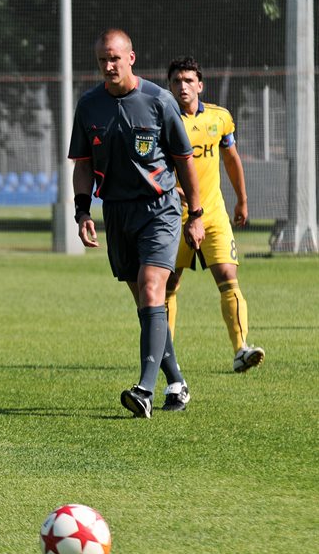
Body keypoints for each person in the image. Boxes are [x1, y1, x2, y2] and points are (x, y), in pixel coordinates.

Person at [68, 29, 206, 417]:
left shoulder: (158, 100)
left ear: (131, 57)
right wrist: (82, 212)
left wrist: (196, 215)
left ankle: (144, 390)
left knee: (151, 288)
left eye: (114, 58)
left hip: (159, 209)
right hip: (116, 212)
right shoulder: (89, 105)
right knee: (147, 304)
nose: (108, 66)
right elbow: (83, 166)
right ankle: (176, 382)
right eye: (102, 60)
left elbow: (185, 161)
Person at [166, 56, 265, 374]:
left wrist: (242, 201)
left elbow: (232, 159)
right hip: (172, 216)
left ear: (200, 85)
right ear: (170, 86)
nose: (182, 86)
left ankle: (241, 349)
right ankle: (165, 358)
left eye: (188, 80)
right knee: (168, 285)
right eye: (176, 81)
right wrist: (174, 191)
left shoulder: (220, 118)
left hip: (213, 214)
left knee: (228, 277)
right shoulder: (162, 119)